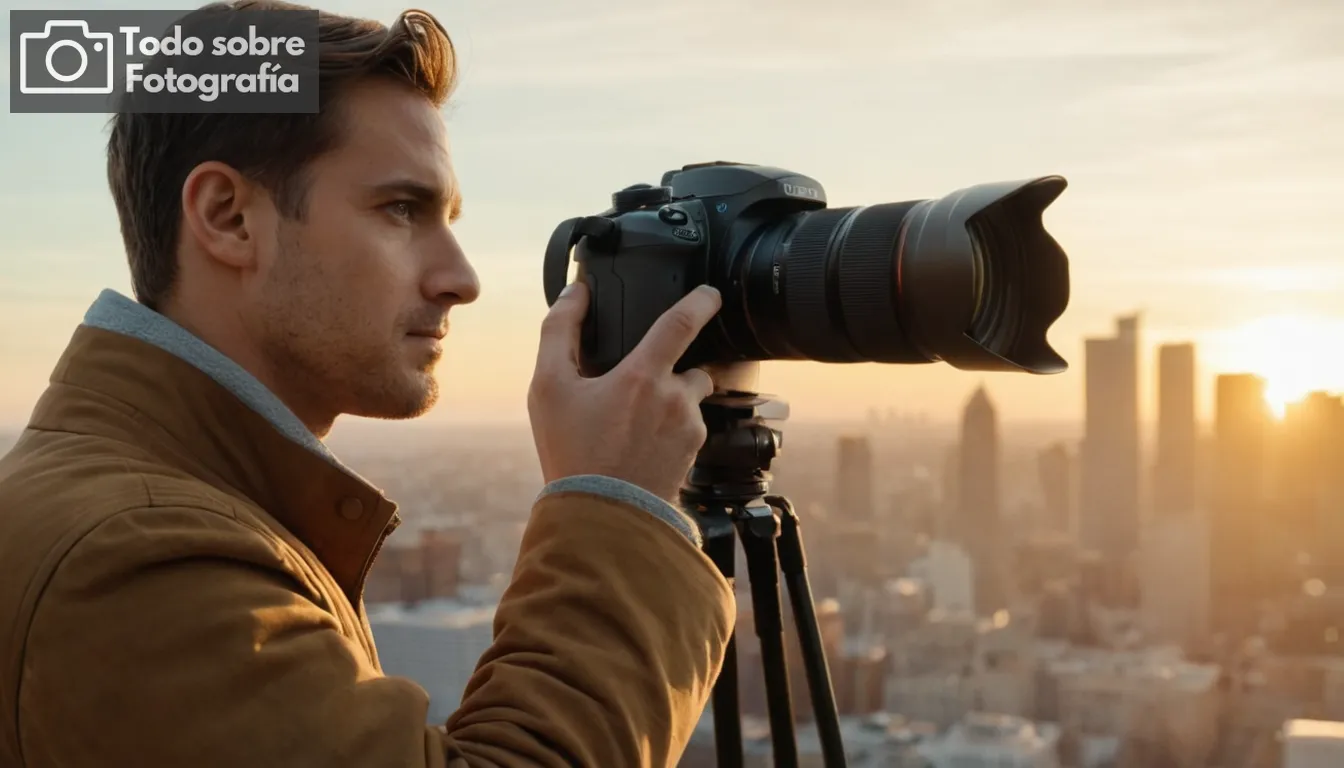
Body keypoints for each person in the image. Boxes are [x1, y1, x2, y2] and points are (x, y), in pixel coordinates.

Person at [0, 2, 735, 766]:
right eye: (401, 209)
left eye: (446, 217)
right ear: (229, 219)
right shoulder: (136, 560)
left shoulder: (148, 502)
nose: (462, 279)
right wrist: (616, 501)